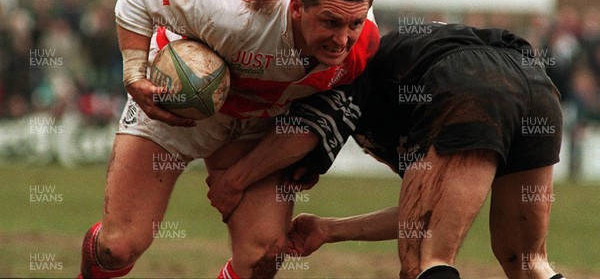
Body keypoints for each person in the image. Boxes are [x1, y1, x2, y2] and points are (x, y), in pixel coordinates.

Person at [78, 0, 380, 279]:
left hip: (255, 124)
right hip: (174, 106)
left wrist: (310, 160)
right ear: (296, 7)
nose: (342, 39)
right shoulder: (239, 5)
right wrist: (135, 76)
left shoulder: (364, 44)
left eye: (354, 22)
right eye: (330, 22)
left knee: (264, 254)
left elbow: (329, 112)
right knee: (117, 248)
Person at [208, 23, 566, 279]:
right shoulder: (394, 93)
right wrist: (330, 229)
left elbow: (300, 135)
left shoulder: (342, 76)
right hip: (535, 86)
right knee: (527, 263)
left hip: (469, 79)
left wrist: (236, 180)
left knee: (424, 263)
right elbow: (424, 210)